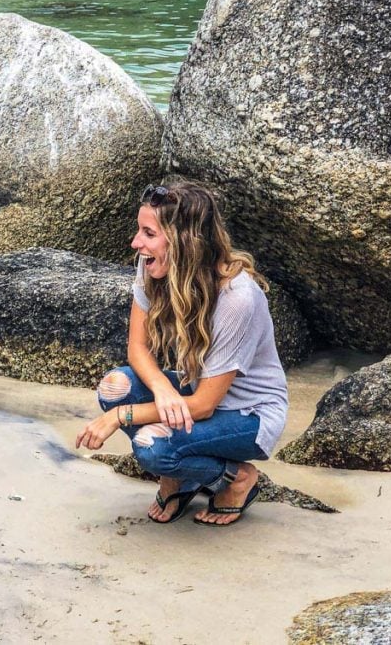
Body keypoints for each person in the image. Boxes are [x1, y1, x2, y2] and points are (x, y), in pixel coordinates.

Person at [75, 180, 288, 526]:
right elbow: (137, 347)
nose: (136, 243)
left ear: (184, 241)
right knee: (115, 387)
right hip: (195, 391)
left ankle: (236, 480)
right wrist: (161, 389)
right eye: (138, 230)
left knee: (152, 447)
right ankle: (178, 477)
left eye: (149, 233)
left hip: (249, 415)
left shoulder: (237, 298)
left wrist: (120, 418)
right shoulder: (151, 265)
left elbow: (204, 406)